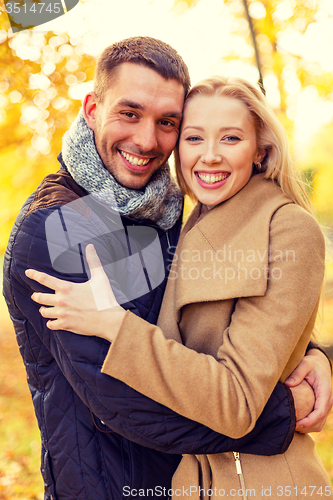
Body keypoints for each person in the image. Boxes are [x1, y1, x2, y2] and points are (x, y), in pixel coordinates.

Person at [3, 36, 332, 499]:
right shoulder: (58, 226)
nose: (146, 139)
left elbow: (216, 318)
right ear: (93, 108)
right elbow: (127, 405)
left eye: (168, 123)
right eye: (130, 113)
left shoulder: (164, 211)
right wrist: (282, 409)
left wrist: (310, 353)